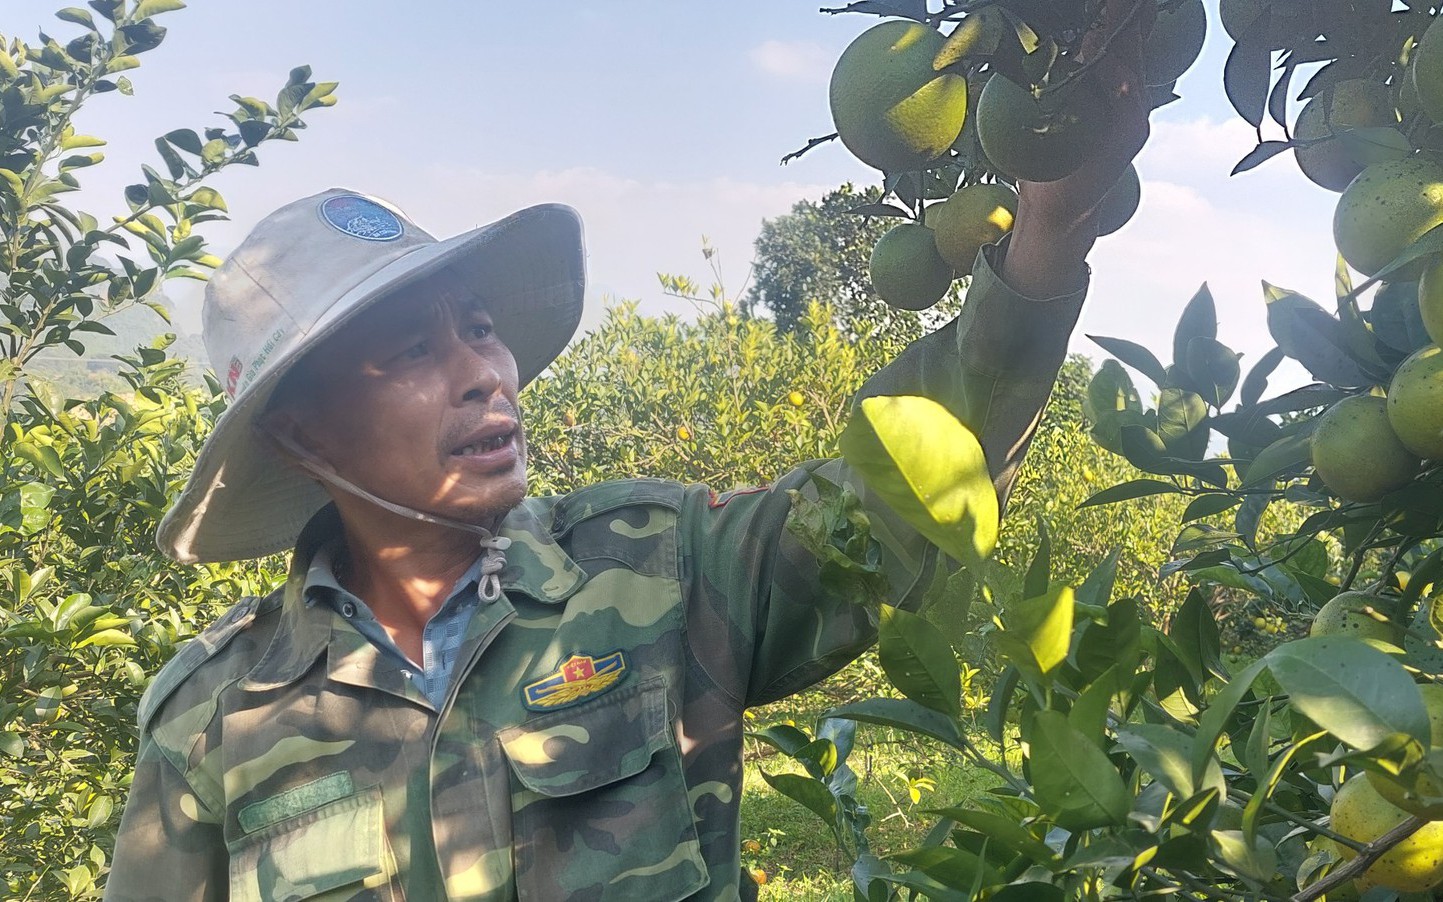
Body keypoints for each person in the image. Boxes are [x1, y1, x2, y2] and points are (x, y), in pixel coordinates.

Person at [103, 3, 1152, 898]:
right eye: (413, 351)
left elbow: (901, 496)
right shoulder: (212, 719)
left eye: (479, 327)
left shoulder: (660, 566)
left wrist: (1046, 241)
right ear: (303, 431)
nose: (484, 371)